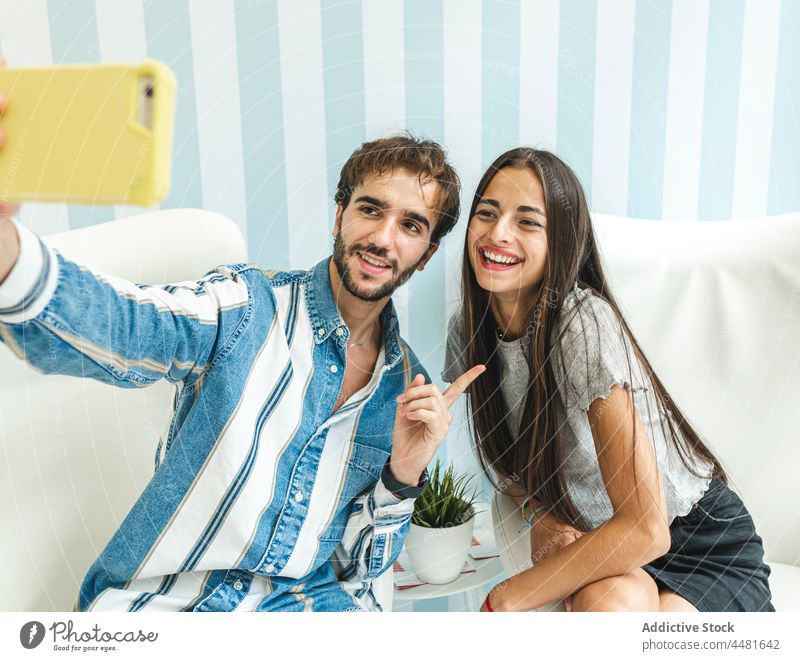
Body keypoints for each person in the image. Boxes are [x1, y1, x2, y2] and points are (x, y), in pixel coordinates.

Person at [0, 70, 484, 611]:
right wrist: (8, 256)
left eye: (411, 225)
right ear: (339, 216)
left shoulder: (404, 387)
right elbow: (129, 325)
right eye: (370, 209)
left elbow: (358, 574)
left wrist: (404, 471)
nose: (382, 238)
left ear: (427, 252)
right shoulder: (245, 306)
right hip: (170, 611)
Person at [443, 147, 773, 612]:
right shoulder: (469, 329)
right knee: (608, 611)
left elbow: (647, 527)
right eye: (487, 214)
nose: (497, 234)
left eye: (527, 221)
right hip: (609, 543)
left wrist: (503, 598)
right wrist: (544, 513)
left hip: (697, 541)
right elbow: (509, 456)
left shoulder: (581, 323)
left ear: (560, 241)